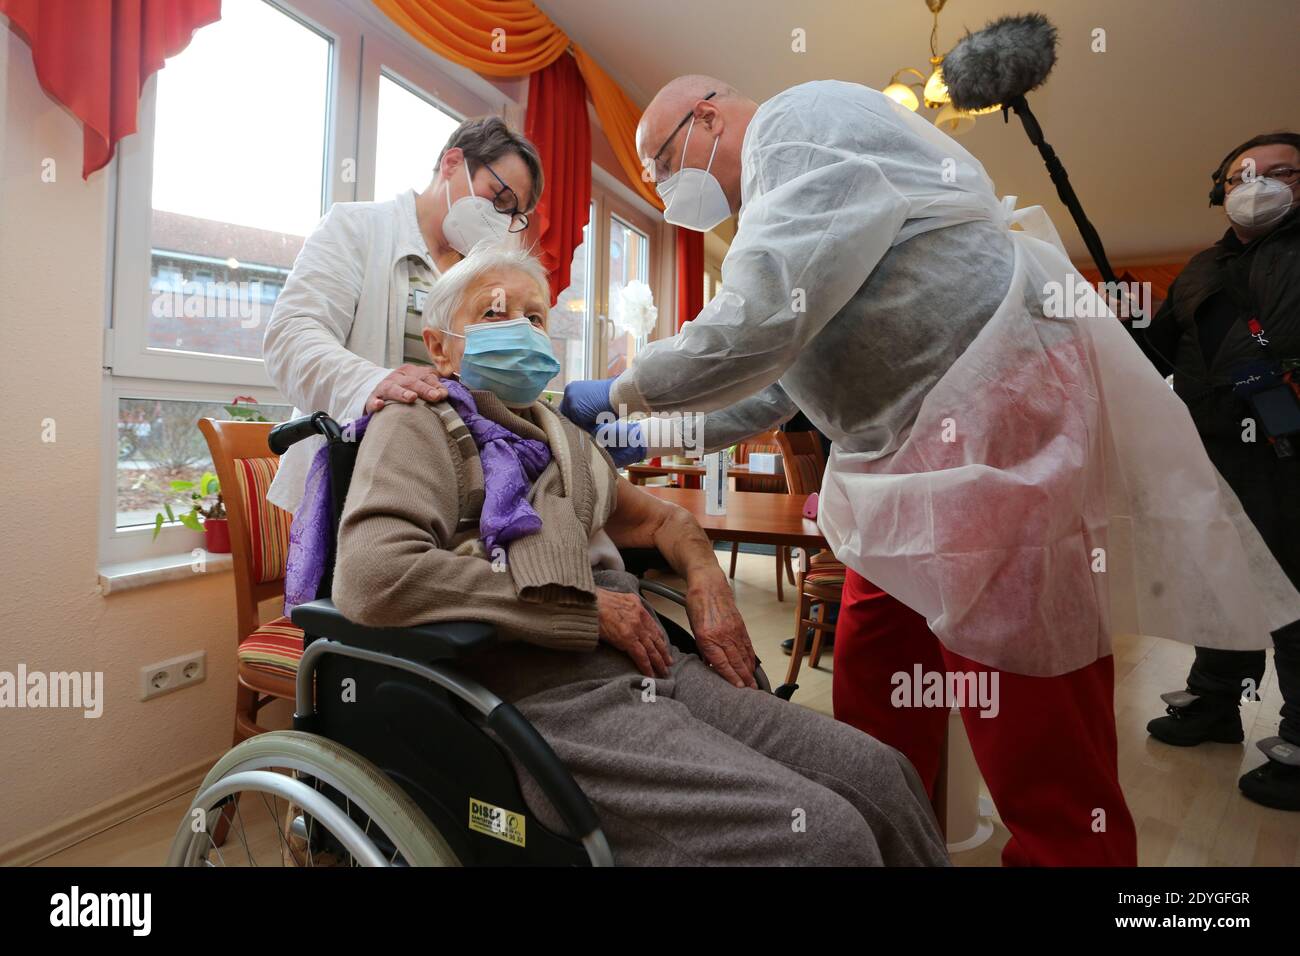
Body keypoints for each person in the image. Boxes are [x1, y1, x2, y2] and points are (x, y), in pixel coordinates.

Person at [560, 76, 1300, 866]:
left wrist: (621, 389)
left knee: (1033, 724)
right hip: (903, 482)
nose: (666, 190)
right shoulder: (787, 215)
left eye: (662, 166)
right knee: (876, 694)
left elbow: (759, 317)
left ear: (705, 114)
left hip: (991, 443)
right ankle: (899, 845)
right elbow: (778, 383)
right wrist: (649, 430)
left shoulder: (801, 123)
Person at [327, 244, 949, 866]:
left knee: (884, 777)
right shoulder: (418, 424)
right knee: (823, 838)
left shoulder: (560, 438)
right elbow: (373, 573)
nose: (521, 328)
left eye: (536, 317)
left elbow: (666, 521)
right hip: (548, 693)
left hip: (651, 664)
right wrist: (584, 609)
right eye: (494, 314)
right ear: (440, 346)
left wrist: (709, 583)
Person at [262, 116, 543, 514]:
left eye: (512, 213)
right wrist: (372, 382)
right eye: (497, 196)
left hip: (450, 486)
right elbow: (290, 338)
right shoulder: (358, 228)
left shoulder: (483, 275)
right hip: (361, 484)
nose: (500, 218)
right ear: (452, 163)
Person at [1138, 132, 1300, 811]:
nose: (1256, 183)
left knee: (1292, 586)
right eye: (1241, 173)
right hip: (1211, 444)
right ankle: (1213, 702)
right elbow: (1157, 353)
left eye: (1280, 172)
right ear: (1221, 188)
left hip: (1289, 445)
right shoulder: (1203, 267)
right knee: (1219, 578)